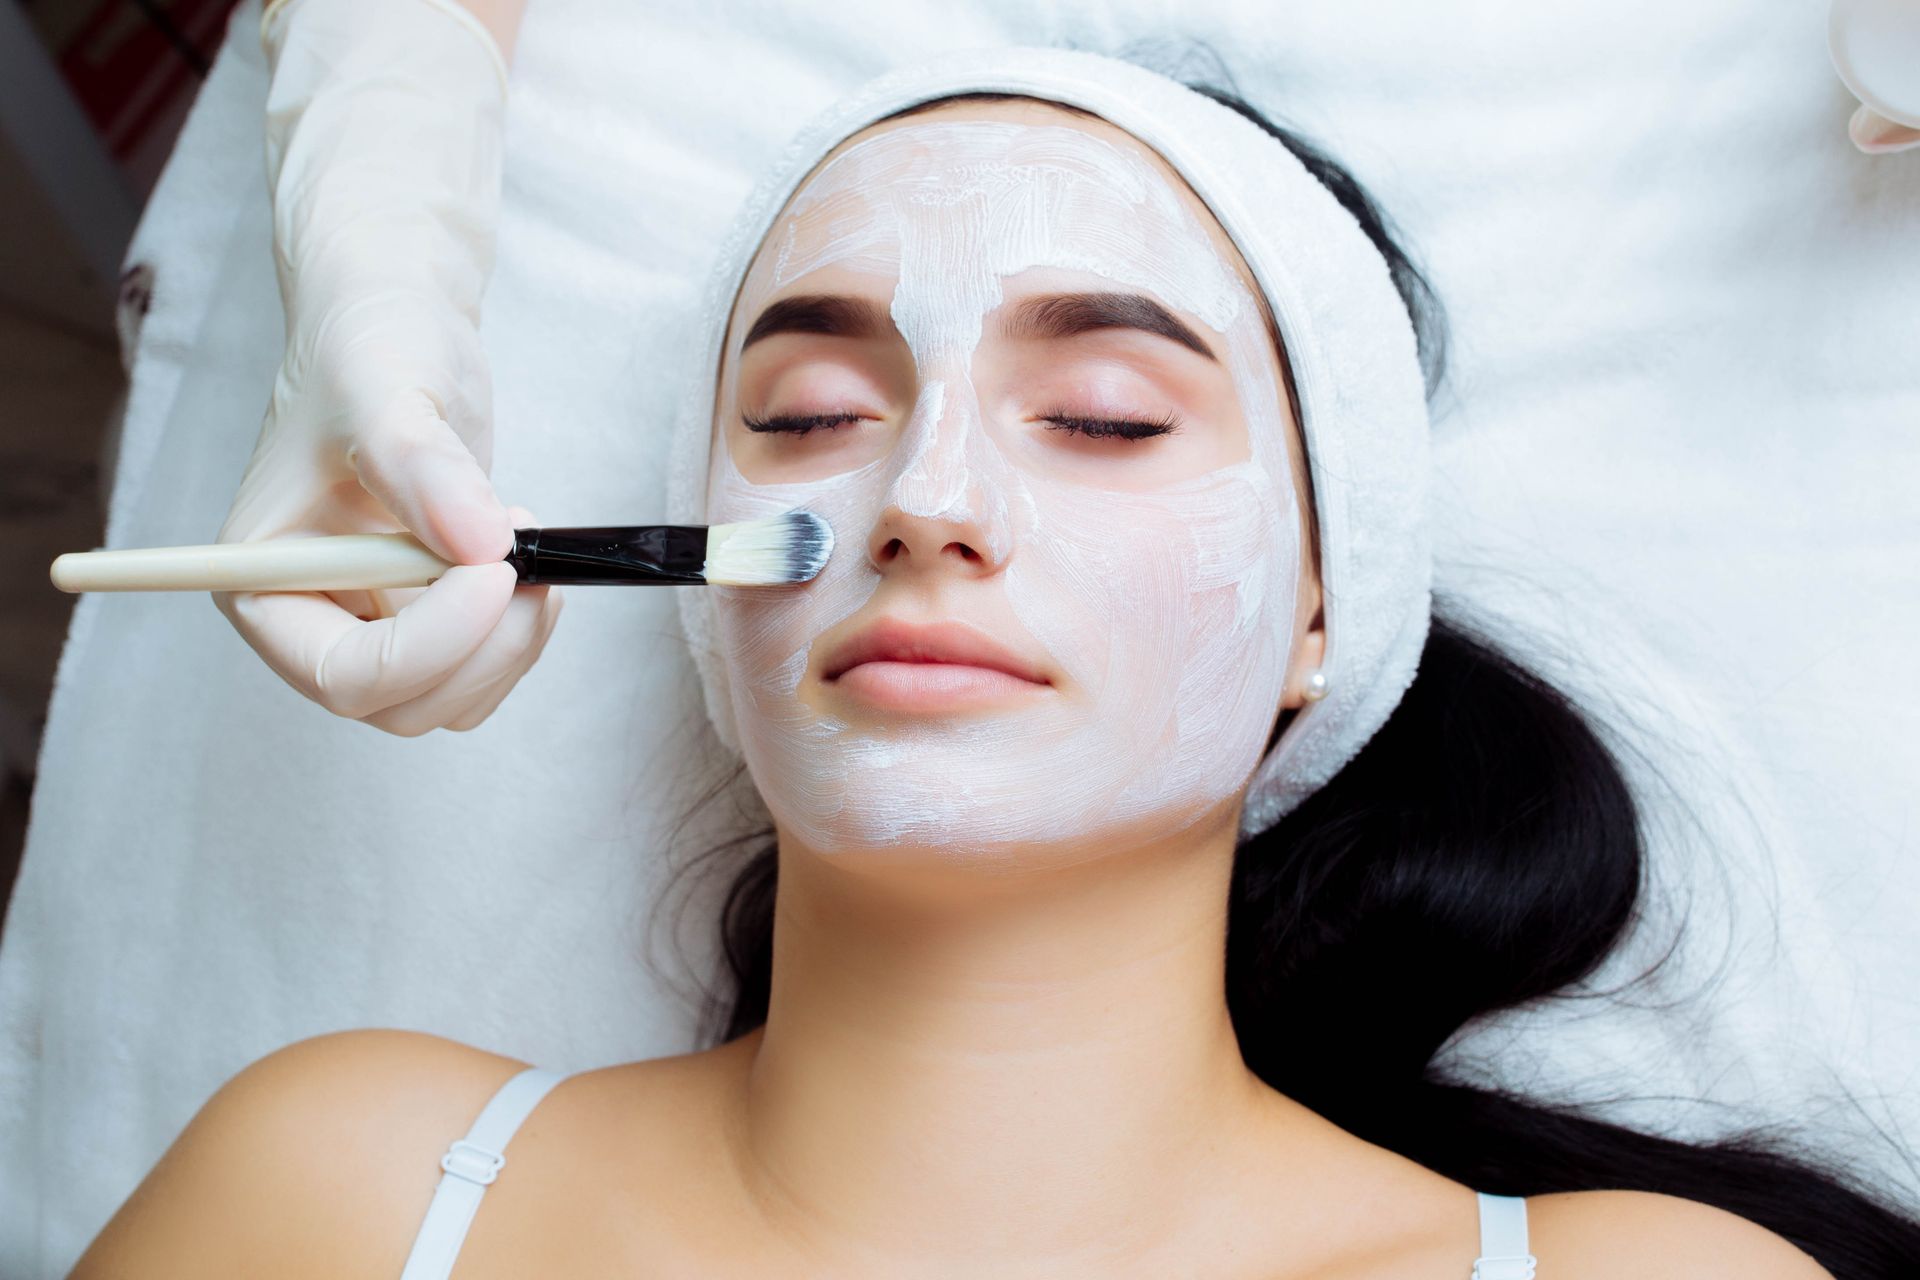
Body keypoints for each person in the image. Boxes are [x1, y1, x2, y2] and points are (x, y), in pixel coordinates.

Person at [66, 20, 1920, 1271]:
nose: (920, 497)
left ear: (1325, 612)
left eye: (1106, 415)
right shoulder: (341, 1185)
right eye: (803, 416)